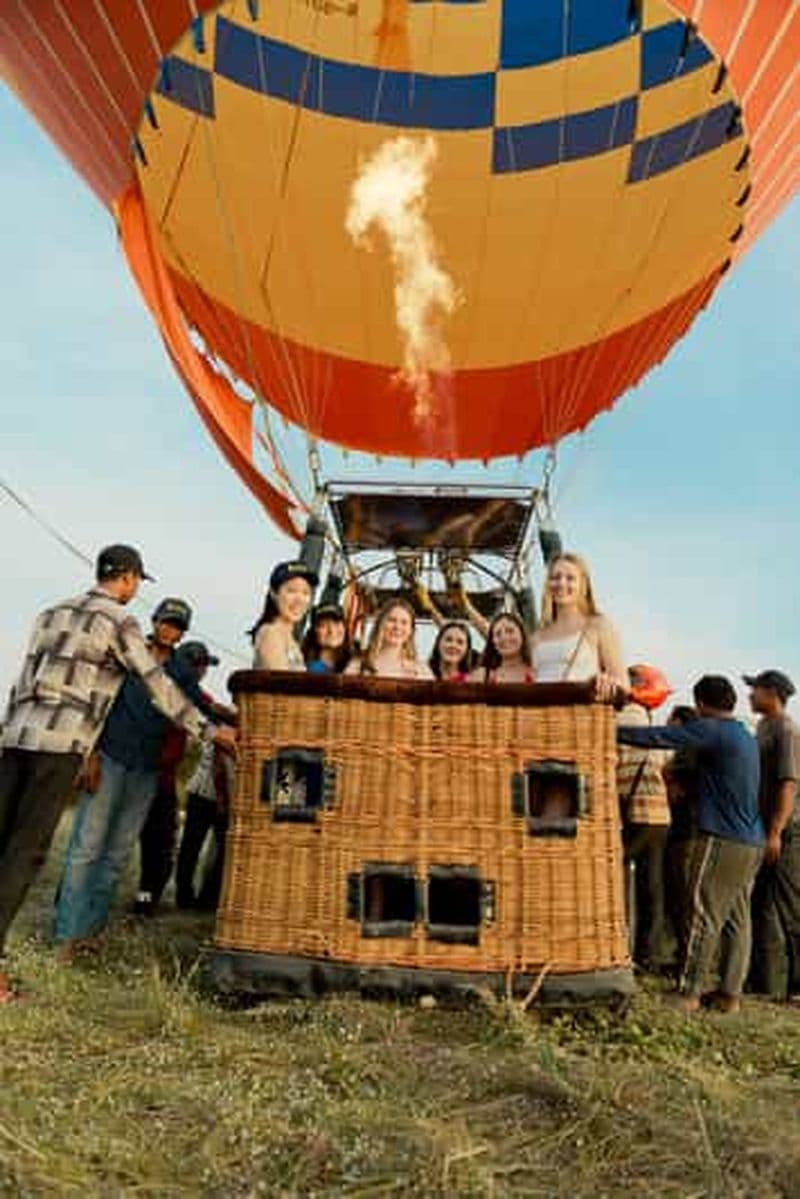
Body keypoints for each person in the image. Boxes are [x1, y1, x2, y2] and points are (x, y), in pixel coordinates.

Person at [0, 545, 235, 1002]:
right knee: (23, 854)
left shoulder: (52, 612)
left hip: (15, 738)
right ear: (127, 579)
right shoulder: (119, 621)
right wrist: (208, 731)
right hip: (61, 744)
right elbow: (155, 685)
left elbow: (22, 680)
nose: (133, 590)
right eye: (134, 582)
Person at [54, 607, 225, 950]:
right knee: (87, 848)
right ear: (154, 622)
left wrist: (233, 727)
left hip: (147, 770)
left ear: (182, 633)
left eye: (176, 626)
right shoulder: (126, 654)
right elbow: (94, 703)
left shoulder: (181, 671)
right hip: (109, 759)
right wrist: (89, 754)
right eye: (164, 621)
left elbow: (201, 707)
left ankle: (90, 931)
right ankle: (65, 934)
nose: (168, 629)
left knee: (116, 854)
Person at [618, 675, 763, 1014]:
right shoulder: (744, 735)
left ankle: (689, 991)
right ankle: (729, 994)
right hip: (750, 841)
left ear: (701, 704)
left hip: (721, 839)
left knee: (702, 912)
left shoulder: (711, 729)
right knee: (736, 919)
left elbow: (661, 736)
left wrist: (611, 730)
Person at [133, 639, 228, 917]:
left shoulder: (197, 696)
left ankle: (145, 901)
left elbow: (216, 711)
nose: (202, 672)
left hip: (164, 779)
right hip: (142, 773)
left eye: (204, 667)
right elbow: (215, 713)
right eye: (199, 666)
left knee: (160, 847)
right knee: (120, 841)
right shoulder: (160, 687)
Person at [744, 670, 800, 1001]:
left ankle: (796, 986)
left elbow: (788, 784)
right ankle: (761, 980)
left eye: (756, 690)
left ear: (772, 693)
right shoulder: (764, 727)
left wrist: (776, 832)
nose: (750, 695)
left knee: (791, 907)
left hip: (786, 832)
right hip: (762, 828)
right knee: (760, 906)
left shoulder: (787, 730)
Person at [616, 665, 672, 972]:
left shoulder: (618, 718)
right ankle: (648, 955)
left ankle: (621, 949)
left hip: (633, 812)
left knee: (616, 877)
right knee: (652, 887)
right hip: (660, 815)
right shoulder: (653, 722)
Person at [531, 553, 624, 699]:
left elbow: (623, 684)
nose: (561, 583)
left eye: (570, 578)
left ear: (583, 585)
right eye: (555, 577)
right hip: (542, 718)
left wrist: (607, 683)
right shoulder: (537, 636)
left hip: (582, 716)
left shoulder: (598, 625)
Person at [175, 738, 233, 912]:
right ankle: (185, 896)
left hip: (225, 795)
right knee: (191, 847)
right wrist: (223, 800)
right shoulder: (224, 720)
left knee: (224, 849)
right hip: (204, 793)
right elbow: (218, 763)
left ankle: (207, 898)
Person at [663, 704, 700, 960]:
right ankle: (683, 954)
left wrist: (668, 776)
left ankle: (687, 956)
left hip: (686, 831)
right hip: (682, 831)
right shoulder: (687, 751)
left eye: (670, 722)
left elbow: (678, 792)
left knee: (684, 898)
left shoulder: (688, 752)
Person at [250, 561, 317, 670]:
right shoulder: (270, 633)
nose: (299, 599)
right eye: (291, 591)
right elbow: (282, 683)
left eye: (306, 592)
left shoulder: (293, 642)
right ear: (274, 593)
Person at [345, 598, 433, 679]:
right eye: (392, 620)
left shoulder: (422, 671)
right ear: (380, 624)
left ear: (411, 631)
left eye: (404, 622)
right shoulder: (358, 666)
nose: (397, 627)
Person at [470, 612, 535, 684]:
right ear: (493, 643)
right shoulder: (482, 676)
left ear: (522, 634)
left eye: (510, 631)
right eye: (498, 634)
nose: (504, 637)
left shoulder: (538, 672)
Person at [302, 603, 352, 674]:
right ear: (314, 631)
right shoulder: (302, 664)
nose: (332, 631)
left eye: (336, 623)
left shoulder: (356, 661)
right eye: (323, 625)